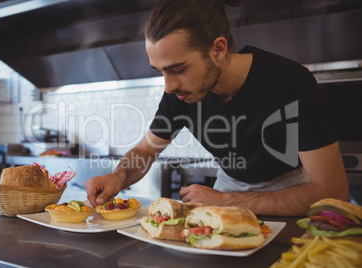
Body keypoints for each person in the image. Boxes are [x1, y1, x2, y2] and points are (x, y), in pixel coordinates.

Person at [85, 0, 349, 216]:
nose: (168, 86)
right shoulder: (179, 94)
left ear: (218, 49)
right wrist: (118, 176)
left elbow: (332, 192)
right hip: (224, 192)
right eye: (160, 71)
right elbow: (145, 150)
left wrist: (225, 200)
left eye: (178, 69)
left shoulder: (290, 81)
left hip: (289, 196)